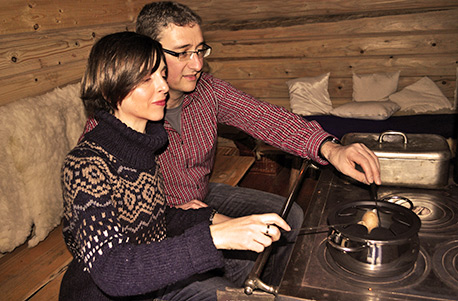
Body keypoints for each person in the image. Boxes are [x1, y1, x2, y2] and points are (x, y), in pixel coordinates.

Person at [81, 1, 381, 287]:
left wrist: (330, 147)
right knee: (241, 265)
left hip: (203, 192)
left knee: (288, 219)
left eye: (200, 50)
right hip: (161, 222)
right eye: (183, 52)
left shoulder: (208, 92)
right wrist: (169, 213)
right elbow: (100, 206)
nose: (197, 63)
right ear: (148, 53)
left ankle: (271, 285)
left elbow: (266, 117)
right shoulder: (116, 122)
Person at [60, 31, 291, 300]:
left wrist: (221, 221)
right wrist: (215, 236)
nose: (163, 86)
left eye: (160, 74)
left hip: (152, 283)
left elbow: (152, 221)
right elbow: (114, 270)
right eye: (146, 79)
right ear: (110, 89)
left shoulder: (142, 145)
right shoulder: (85, 164)